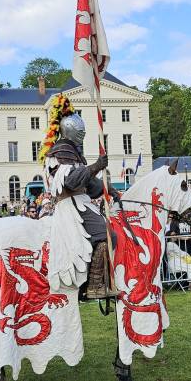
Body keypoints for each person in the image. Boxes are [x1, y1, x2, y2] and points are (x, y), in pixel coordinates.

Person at [41, 95, 120, 298]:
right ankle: (93, 286)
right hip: (71, 205)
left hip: (81, 200)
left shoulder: (72, 152)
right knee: (106, 234)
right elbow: (72, 182)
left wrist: (109, 189)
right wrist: (96, 166)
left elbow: (90, 185)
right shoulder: (62, 150)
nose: (83, 133)